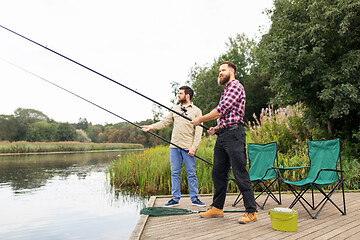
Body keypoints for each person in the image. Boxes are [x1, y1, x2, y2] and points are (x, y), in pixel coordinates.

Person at [191, 61, 257, 224]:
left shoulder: (235, 86)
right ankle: (217, 208)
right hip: (224, 135)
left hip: (235, 136)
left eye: (223, 70)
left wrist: (201, 119)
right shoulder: (227, 90)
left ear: (232, 72)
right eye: (219, 71)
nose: (220, 73)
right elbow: (226, 116)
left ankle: (251, 211)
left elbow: (221, 109)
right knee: (218, 172)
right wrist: (216, 128)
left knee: (240, 172)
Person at [141, 86, 206, 207]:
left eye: (180, 93)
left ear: (187, 95)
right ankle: (175, 199)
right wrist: (150, 127)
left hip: (188, 148)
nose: (178, 95)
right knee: (175, 173)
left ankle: (195, 199)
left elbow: (199, 131)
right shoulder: (174, 109)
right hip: (174, 147)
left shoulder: (197, 111)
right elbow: (164, 123)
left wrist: (194, 148)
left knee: (191, 173)